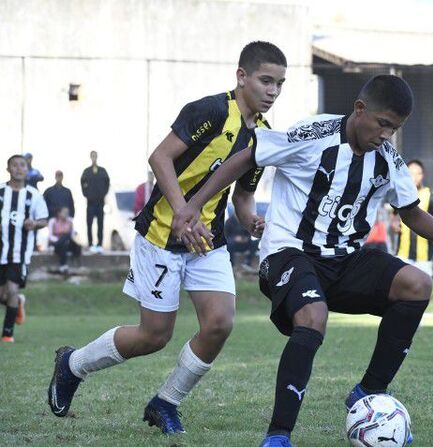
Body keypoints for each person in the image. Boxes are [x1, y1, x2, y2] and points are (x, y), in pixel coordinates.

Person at [172, 75, 433, 447]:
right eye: (383, 124)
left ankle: (368, 392)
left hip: (345, 261)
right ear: (359, 109)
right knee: (313, 317)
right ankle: (277, 436)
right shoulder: (313, 134)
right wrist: (193, 205)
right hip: (288, 254)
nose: (386, 135)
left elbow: (411, 212)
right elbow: (247, 157)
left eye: (395, 129)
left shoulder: (388, 160)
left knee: (417, 285)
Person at [47, 41, 287, 434]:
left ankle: (165, 402)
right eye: (265, 81)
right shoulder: (209, 110)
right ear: (241, 76)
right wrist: (182, 212)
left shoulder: (263, 136)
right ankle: (72, 365)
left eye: (280, 84)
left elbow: (243, 195)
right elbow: (159, 157)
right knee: (154, 336)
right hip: (160, 236)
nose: (273, 91)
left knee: (220, 324)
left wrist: (252, 221)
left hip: (207, 242)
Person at [0, 155, 49, 342]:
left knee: (12, 289)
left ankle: (7, 335)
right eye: (15, 165)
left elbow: (44, 220)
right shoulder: (1, 192)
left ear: (27, 170)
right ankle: (18, 302)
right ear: (8, 169)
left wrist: (34, 223)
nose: (19, 168)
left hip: (19, 253)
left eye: (22, 165)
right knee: (4, 294)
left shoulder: (33, 195)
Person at [393, 159, 433, 276]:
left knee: (422, 291)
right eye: (411, 173)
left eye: (419, 173)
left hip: (424, 256)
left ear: (423, 175)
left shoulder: (431, 196)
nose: (415, 177)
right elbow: (394, 216)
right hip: (403, 254)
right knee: (401, 291)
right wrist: (394, 224)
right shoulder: (400, 194)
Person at [80, 151, 110, 253]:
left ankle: (99, 244)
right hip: (90, 203)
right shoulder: (86, 171)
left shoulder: (102, 171)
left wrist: (103, 194)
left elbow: (107, 183)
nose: (93, 158)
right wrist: (87, 194)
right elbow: (82, 183)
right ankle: (90, 243)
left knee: (100, 223)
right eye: (92, 156)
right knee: (89, 223)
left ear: (97, 157)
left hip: (100, 202)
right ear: (90, 157)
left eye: (95, 156)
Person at [48, 207, 81, 272]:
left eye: (67, 213)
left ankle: (63, 265)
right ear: (59, 213)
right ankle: (63, 265)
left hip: (67, 243)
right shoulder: (53, 221)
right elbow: (50, 236)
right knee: (63, 242)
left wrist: (74, 233)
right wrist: (59, 240)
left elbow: (72, 234)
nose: (66, 215)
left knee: (66, 237)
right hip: (56, 242)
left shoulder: (70, 221)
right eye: (64, 213)